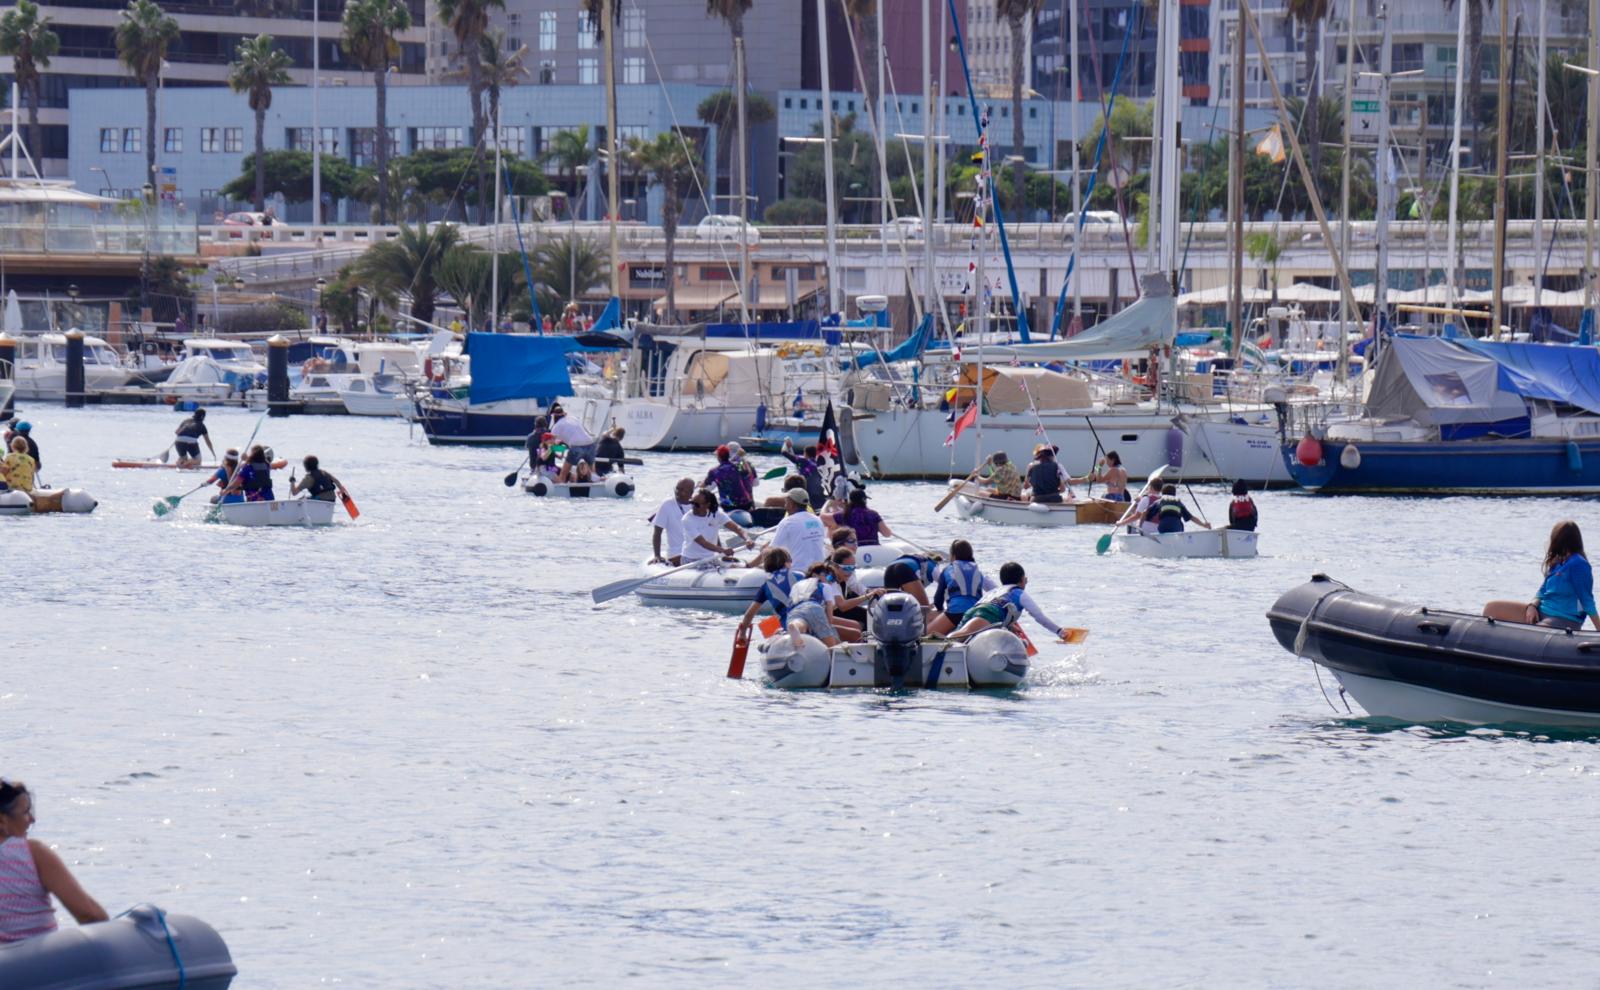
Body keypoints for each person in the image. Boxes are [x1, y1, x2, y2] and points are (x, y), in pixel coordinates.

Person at [0, 778, 108, 943]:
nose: (32, 820)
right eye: (25, 812)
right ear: (2, 820)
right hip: (42, 963)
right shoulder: (32, 853)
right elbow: (90, 915)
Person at [1484, 520, 1600, 630]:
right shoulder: (1557, 562)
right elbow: (1542, 590)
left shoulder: (1578, 564)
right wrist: (1532, 606)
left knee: (1535, 634)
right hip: (1541, 611)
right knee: (1491, 608)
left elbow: (1587, 600)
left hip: (1564, 619)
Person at [946, 562, 1077, 644]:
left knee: (961, 637)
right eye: (1025, 578)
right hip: (987, 614)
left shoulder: (996, 590)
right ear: (1022, 579)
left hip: (974, 611)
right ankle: (937, 646)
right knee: (960, 636)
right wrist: (1059, 632)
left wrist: (1009, 626)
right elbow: (1039, 617)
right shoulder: (1019, 593)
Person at [737, 548, 805, 635]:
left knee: (768, 625)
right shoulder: (801, 576)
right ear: (787, 563)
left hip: (787, 624)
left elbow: (749, 615)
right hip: (807, 618)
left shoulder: (766, 586)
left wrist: (742, 634)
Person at [926, 540, 987, 637]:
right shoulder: (977, 571)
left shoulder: (948, 569)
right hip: (975, 614)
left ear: (953, 556)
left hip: (955, 613)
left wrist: (940, 611)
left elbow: (938, 599)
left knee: (925, 635)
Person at [680, 488, 755, 564]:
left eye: (696, 504)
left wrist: (747, 539)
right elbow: (703, 543)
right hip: (692, 560)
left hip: (711, 557)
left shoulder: (716, 513)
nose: (693, 506)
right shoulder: (687, 519)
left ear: (707, 504)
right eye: (691, 502)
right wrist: (723, 550)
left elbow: (736, 528)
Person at [771, 487, 829, 572]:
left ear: (792, 504)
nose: (785, 506)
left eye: (786, 502)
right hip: (820, 571)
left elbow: (772, 551)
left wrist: (750, 565)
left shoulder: (787, 522)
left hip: (799, 572)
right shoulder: (818, 520)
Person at [824, 488, 894, 546]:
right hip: (873, 548)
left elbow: (823, 517)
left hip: (855, 549)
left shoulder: (844, 514)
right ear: (864, 501)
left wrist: (827, 505)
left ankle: (834, 548)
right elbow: (887, 534)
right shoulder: (874, 514)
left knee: (832, 526)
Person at [649, 478, 696, 565]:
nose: (678, 492)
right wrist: (657, 555)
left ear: (691, 492)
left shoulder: (698, 505)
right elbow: (657, 532)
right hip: (677, 554)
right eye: (677, 489)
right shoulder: (667, 504)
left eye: (682, 490)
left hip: (699, 553)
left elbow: (712, 528)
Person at [548, 405, 598, 482]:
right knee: (592, 473)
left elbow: (552, 446)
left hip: (576, 447)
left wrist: (562, 448)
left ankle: (561, 488)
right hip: (590, 443)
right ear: (564, 413)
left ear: (554, 416)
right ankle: (595, 484)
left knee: (564, 473)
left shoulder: (556, 427)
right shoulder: (573, 418)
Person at [703, 444, 755, 514]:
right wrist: (740, 459)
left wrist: (701, 484)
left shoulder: (713, 471)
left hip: (728, 507)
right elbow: (747, 474)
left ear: (718, 457)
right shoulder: (738, 465)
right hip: (745, 504)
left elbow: (704, 485)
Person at [1145, 483, 1211, 534]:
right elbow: (1191, 518)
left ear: (1162, 493)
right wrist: (1204, 525)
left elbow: (1146, 514)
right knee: (1179, 523)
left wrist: (1140, 525)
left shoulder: (1159, 501)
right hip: (1176, 528)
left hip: (1163, 528)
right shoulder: (1178, 503)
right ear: (1174, 494)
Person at [781, 438, 827, 509]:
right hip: (820, 499)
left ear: (805, 454)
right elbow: (796, 461)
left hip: (806, 498)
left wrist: (786, 443)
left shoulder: (804, 461)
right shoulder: (820, 465)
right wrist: (790, 448)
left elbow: (784, 452)